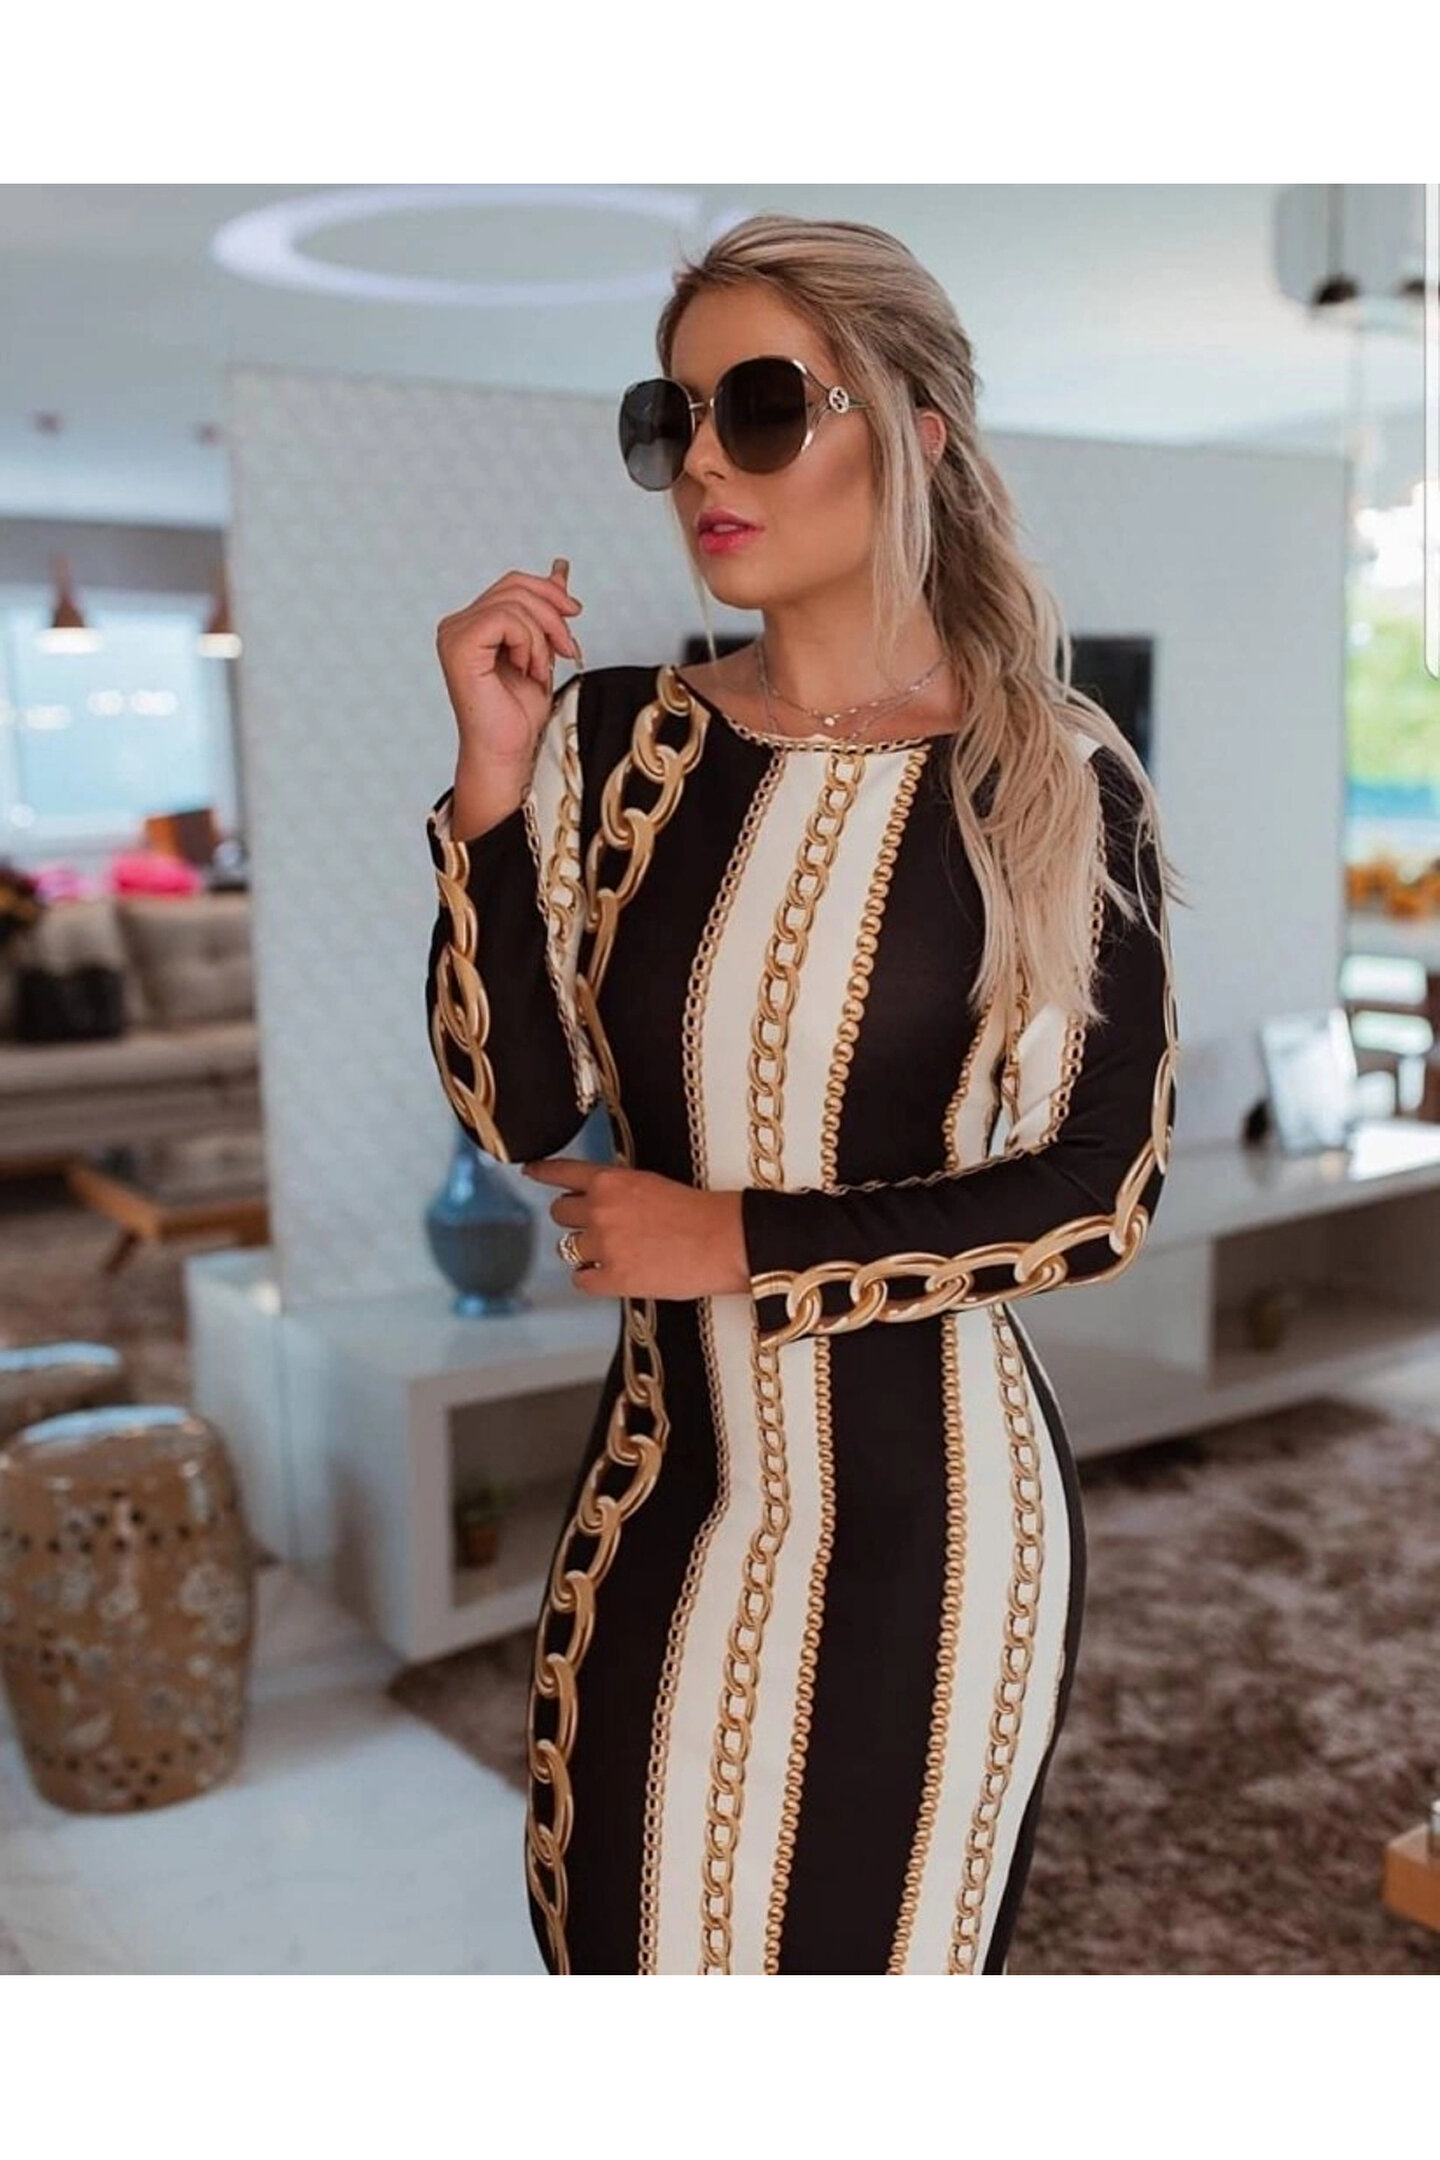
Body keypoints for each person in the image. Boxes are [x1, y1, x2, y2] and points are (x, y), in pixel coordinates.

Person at [424, 212, 1184, 1976]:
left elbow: (1099, 1190)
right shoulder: (618, 740)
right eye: (671, 416)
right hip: (666, 1493)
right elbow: (515, 1109)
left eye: (760, 407)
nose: (703, 459)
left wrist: (737, 1241)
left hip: (944, 1538)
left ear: (914, 434)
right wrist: (489, 787)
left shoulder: (1050, 778)